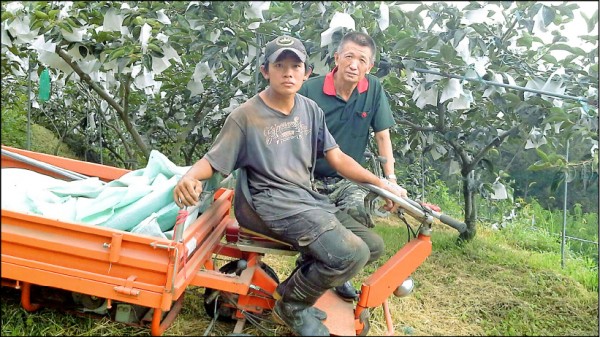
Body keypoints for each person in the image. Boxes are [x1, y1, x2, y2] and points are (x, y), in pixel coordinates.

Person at [173, 35, 406, 336]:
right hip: (267, 205)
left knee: (372, 247)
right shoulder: (245, 117)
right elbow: (213, 161)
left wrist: (383, 183)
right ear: (264, 71)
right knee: (351, 254)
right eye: (279, 65)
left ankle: (294, 287)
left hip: (306, 199)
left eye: (296, 66)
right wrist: (189, 177)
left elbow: (337, 158)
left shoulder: (310, 110)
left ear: (307, 72)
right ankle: (292, 305)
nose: (288, 72)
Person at [298, 31, 402, 301]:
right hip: (308, 177)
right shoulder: (310, 90)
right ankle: (309, 273)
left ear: (370, 66)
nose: (354, 64)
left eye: (362, 60)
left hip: (347, 180)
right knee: (314, 225)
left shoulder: (374, 89)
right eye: (349, 57)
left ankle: (338, 273)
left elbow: (383, 136)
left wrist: (390, 179)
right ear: (337, 58)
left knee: (359, 217)